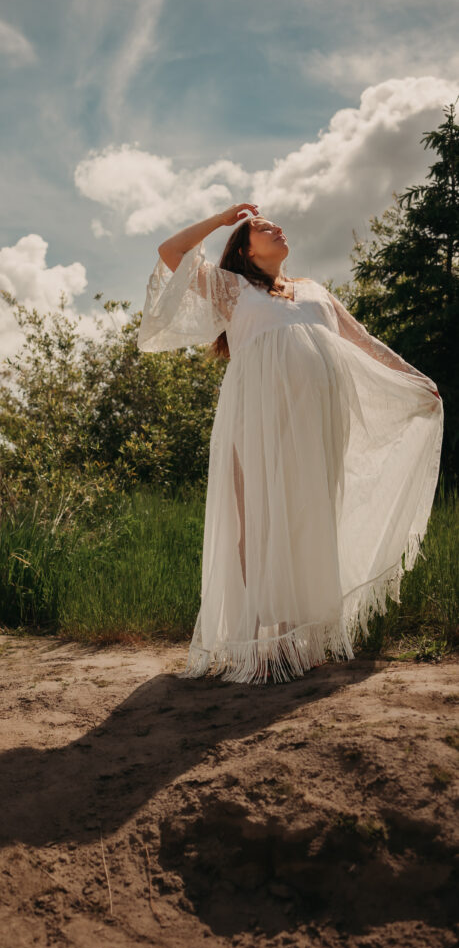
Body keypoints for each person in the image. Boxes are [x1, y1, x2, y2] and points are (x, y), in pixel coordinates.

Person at [137, 204, 444, 685]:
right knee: (260, 518)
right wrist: (223, 219)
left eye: (274, 225)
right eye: (261, 227)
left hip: (318, 420)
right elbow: (170, 251)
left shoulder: (315, 292)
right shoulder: (232, 290)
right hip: (258, 416)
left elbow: (361, 340)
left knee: (306, 519)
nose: (275, 228)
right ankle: (265, 640)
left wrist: (414, 377)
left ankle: (299, 638)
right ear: (244, 248)